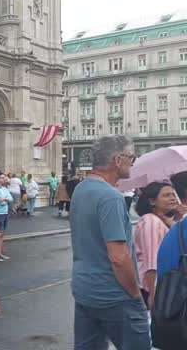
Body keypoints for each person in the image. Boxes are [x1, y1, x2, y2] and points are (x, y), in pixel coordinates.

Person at [69, 135, 150, 350]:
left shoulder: (82, 188)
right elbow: (118, 257)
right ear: (117, 160)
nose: (132, 163)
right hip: (115, 295)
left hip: (84, 289)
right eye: (131, 158)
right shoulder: (110, 197)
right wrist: (135, 293)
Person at [133, 182, 182, 310]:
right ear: (152, 201)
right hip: (154, 288)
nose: (172, 198)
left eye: (173, 194)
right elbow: (151, 262)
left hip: (165, 286)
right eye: (166, 195)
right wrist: (153, 295)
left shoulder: (161, 220)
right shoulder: (150, 222)